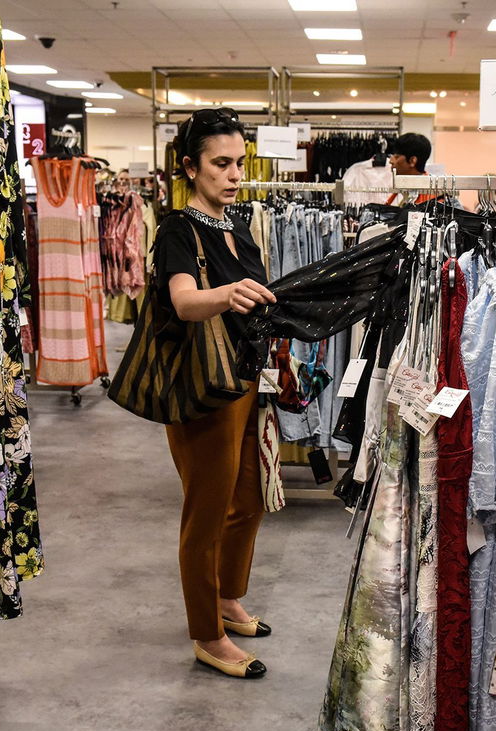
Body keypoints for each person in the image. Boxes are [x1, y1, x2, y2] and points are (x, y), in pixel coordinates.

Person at [153, 107, 277, 679]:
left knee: (247, 500)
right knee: (206, 514)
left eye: (239, 163)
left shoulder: (240, 224)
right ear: (190, 167)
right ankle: (207, 632)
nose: (233, 175)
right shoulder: (179, 228)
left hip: (246, 377)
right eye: (220, 164)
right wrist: (226, 294)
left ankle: (228, 598)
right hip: (203, 387)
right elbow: (183, 301)